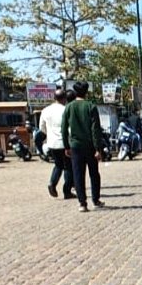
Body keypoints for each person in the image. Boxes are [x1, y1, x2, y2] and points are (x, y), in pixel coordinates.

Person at [60, 82, 108, 211]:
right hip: (90, 146)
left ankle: (82, 203)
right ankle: (96, 199)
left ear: (75, 92)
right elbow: (95, 129)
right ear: (86, 92)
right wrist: (98, 148)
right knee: (94, 174)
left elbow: (63, 128)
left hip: (75, 146)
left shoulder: (69, 107)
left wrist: (66, 146)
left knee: (78, 174)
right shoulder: (91, 106)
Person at [40, 89, 73, 199]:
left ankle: (52, 183)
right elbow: (70, 128)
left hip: (52, 143)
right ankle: (67, 191)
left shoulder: (46, 110)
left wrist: (49, 135)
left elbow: (41, 127)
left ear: (54, 98)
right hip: (65, 142)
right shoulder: (66, 110)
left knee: (58, 165)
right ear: (65, 98)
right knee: (68, 167)